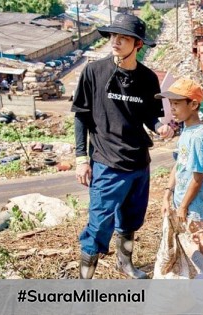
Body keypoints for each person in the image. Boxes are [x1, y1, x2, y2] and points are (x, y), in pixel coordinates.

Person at [72, 13, 174, 279]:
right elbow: (81, 115)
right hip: (107, 164)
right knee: (98, 225)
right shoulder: (94, 72)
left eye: (123, 38)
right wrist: (81, 158)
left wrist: (160, 126)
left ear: (137, 44)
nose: (115, 41)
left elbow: (150, 115)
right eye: (113, 36)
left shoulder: (148, 79)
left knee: (130, 220)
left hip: (139, 162)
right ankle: (84, 282)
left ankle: (125, 263)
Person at [155, 77, 203, 264]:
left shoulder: (197, 136)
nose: (172, 108)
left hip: (195, 209)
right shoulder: (186, 131)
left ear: (193, 104)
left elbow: (198, 179)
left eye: (176, 104)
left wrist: (183, 206)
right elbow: (179, 165)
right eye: (170, 104)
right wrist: (168, 194)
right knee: (190, 250)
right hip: (184, 204)